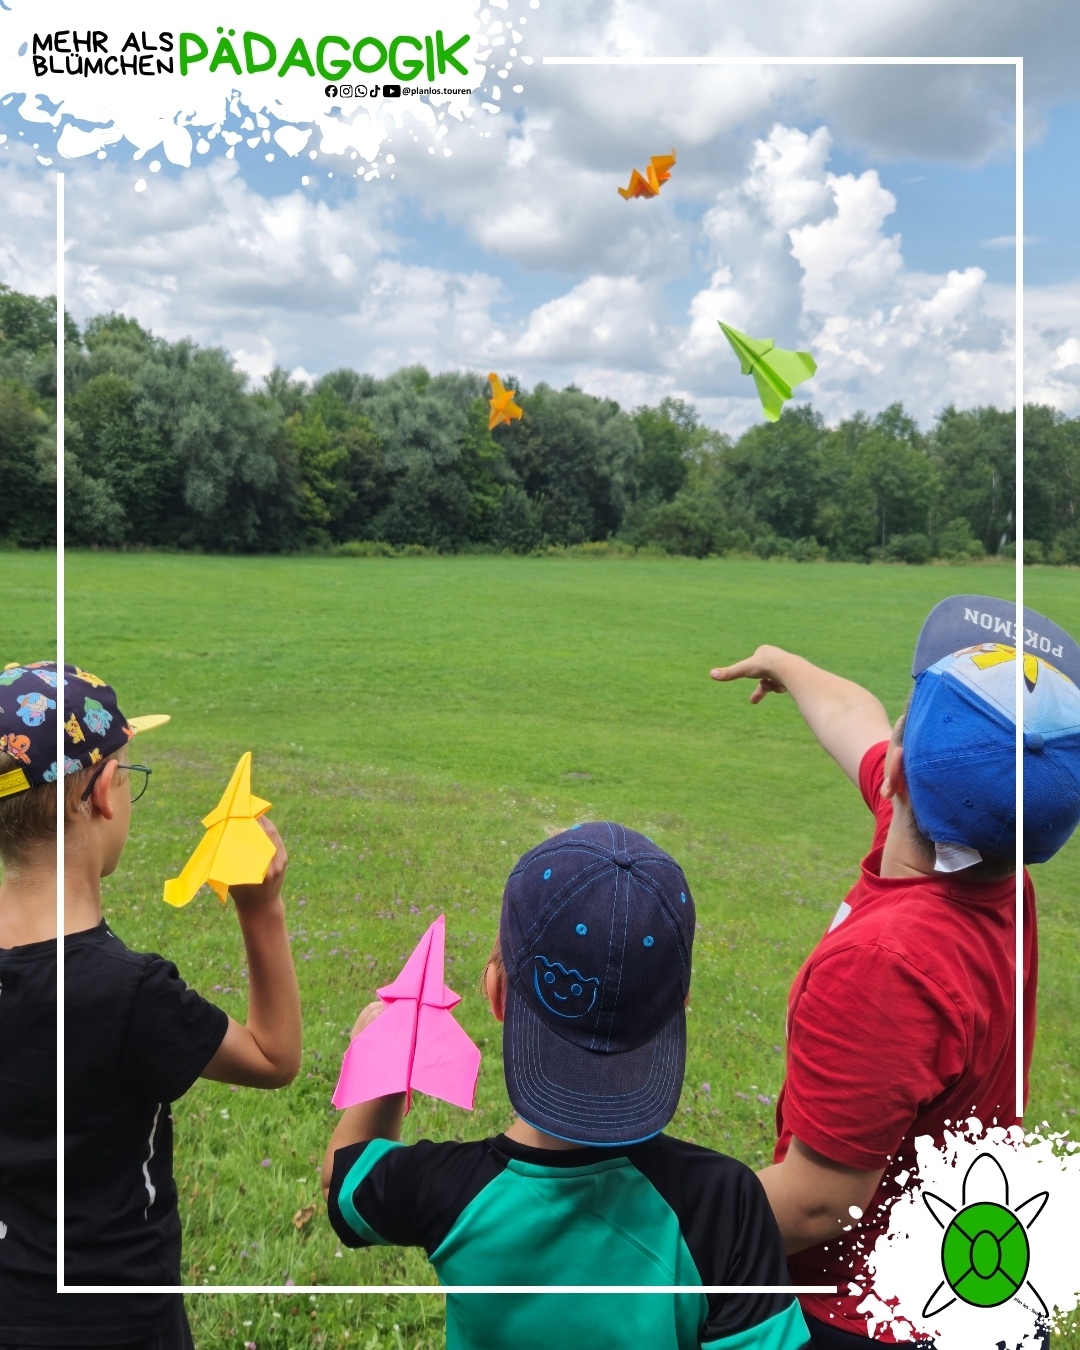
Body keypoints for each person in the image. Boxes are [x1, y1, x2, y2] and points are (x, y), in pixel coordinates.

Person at [710, 595, 1080, 1348]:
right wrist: (785, 664)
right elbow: (855, 718)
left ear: (899, 775)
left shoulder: (885, 966)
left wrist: (663, 1234)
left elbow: (820, 1202)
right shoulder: (990, 860)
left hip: (878, 1318)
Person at [323, 820, 813, 1350]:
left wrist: (387, 1057)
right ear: (681, 1004)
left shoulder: (441, 1189)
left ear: (497, 993)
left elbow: (341, 1180)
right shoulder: (726, 1204)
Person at [0, 661, 303, 1349]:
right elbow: (274, 1057)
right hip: (119, 1323)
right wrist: (261, 909)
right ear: (102, 793)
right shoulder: (129, 993)